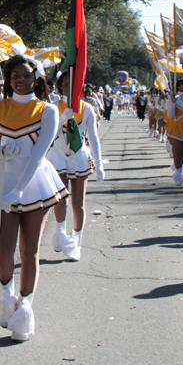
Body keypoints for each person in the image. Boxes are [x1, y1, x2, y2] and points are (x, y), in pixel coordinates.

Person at [0, 55, 67, 342]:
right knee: (2, 250)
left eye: (26, 75)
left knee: (29, 251)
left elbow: (39, 154)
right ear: (8, 79)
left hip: (33, 185)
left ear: (36, 79)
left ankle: (25, 309)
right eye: (15, 75)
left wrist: (17, 191)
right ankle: (7, 295)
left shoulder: (47, 110)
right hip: (2, 184)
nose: (21, 80)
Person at [47, 72, 104, 261]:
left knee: (78, 203)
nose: (67, 87)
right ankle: (60, 234)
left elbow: (93, 137)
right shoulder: (53, 107)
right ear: (59, 85)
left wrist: (100, 163)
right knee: (60, 199)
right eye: (64, 83)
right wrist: (62, 118)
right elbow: (48, 135)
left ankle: (77, 241)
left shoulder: (87, 108)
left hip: (79, 156)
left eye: (71, 83)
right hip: (58, 156)